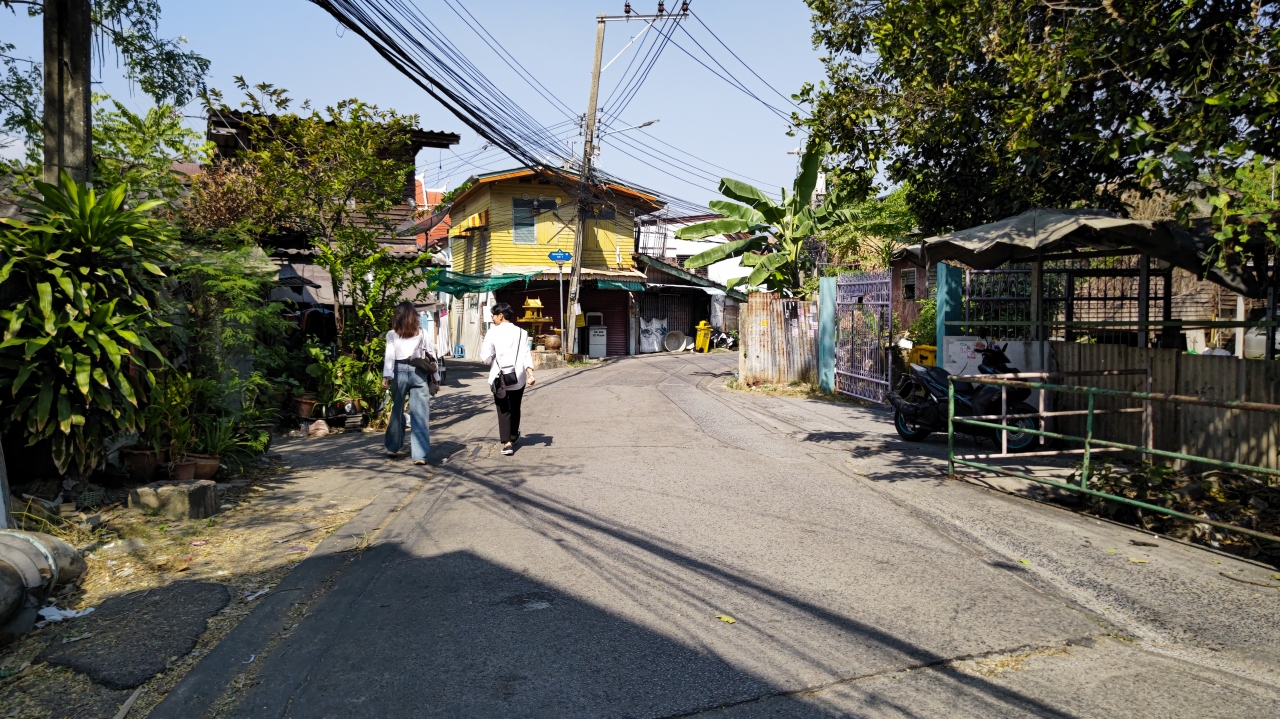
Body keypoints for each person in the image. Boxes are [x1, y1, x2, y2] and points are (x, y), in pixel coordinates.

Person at [383, 302, 437, 464]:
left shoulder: (391, 334)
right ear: (414, 316)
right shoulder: (422, 333)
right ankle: (419, 455)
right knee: (420, 414)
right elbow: (431, 356)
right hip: (418, 371)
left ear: (397, 316)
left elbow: (389, 356)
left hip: (398, 372)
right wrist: (436, 379)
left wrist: (386, 377)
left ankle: (393, 447)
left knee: (397, 411)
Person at [480, 302, 534, 456]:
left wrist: (493, 357)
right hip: (518, 377)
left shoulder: (492, 332)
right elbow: (526, 354)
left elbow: (485, 357)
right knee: (515, 407)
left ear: (501, 316)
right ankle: (513, 434)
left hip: (500, 377)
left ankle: (507, 443)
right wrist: (530, 374)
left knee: (503, 409)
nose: (493, 319)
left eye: (494, 316)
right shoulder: (522, 332)